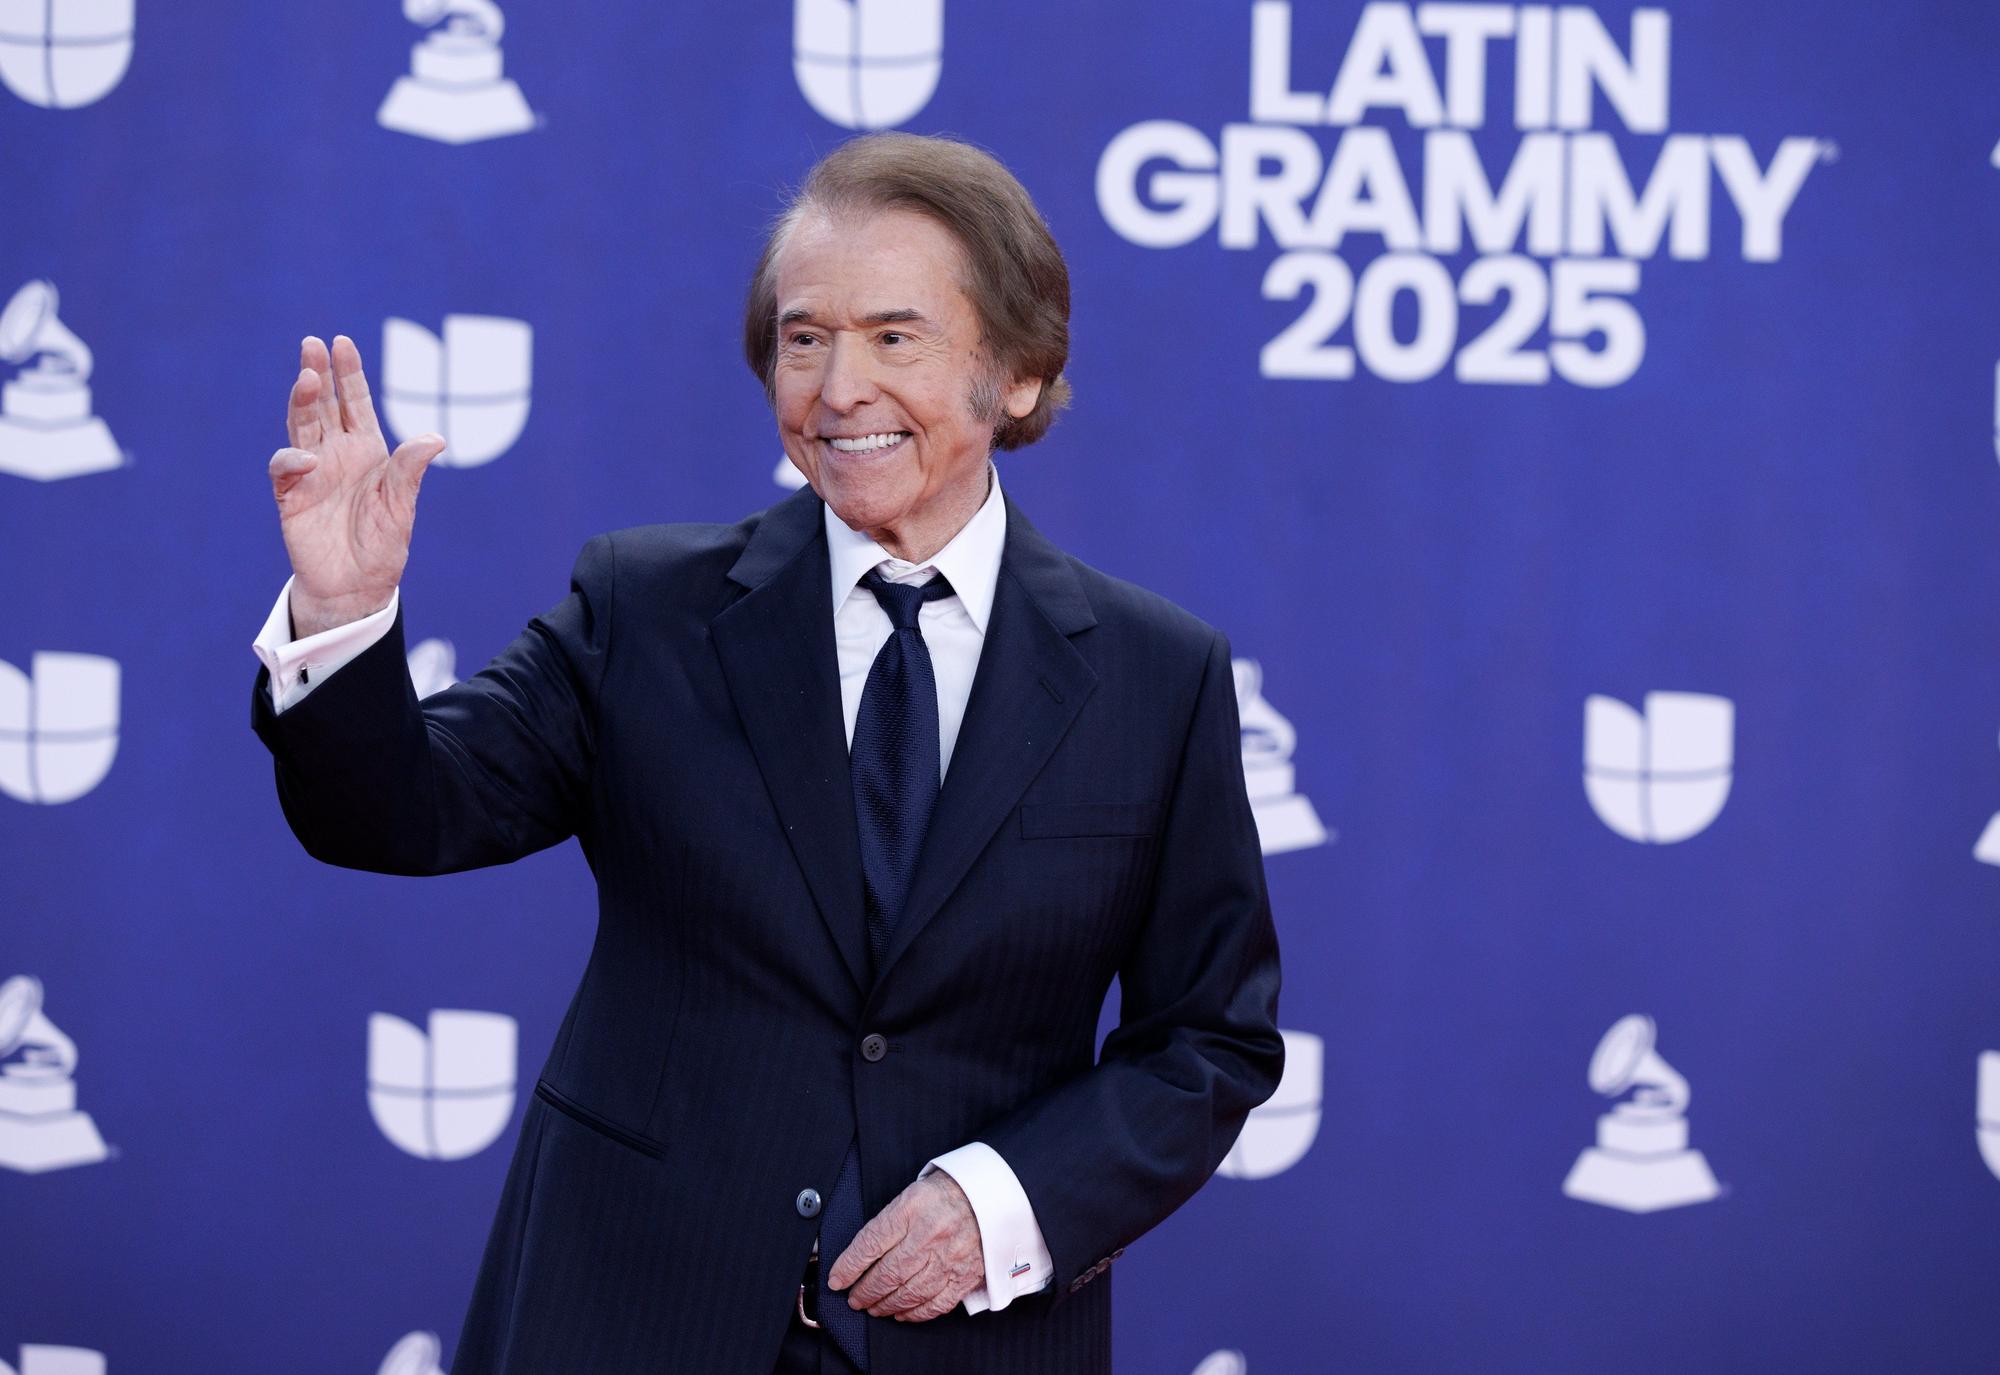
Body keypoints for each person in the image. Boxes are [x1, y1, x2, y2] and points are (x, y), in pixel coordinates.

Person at [250, 132, 1282, 1375]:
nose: (836, 388)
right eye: (803, 339)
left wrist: (1003, 1204)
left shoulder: (1153, 677)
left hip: (968, 1337)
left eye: (893, 337)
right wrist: (344, 619)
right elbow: (396, 815)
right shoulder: (645, 609)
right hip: (630, 1320)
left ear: (1014, 373)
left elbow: (1207, 1040)